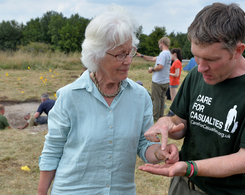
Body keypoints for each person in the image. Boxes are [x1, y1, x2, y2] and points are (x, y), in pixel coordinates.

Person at [138, 3, 245, 195]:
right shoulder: (197, 75)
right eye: (196, 57)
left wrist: (190, 167)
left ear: (238, 50)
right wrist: (166, 123)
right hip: (181, 186)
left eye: (212, 59)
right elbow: (179, 123)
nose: (200, 68)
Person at [37, 4, 179, 195]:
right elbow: (52, 150)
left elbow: (143, 144)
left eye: (131, 52)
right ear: (97, 55)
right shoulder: (70, 96)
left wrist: (160, 152)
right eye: (121, 54)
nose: (128, 60)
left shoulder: (140, 97)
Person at [136, 37, 171, 121]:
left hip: (158, 81)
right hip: (165, 81)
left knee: (156, 99)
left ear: (162, 43)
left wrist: (152, 69)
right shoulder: (168, 53)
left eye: (159, 44)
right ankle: (160, 116)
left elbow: (160, 66)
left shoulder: (163, 54)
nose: (159, 46)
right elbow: (153, 58)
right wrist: (142, 56)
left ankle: (155, 117)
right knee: (162, 99)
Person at [167, 48, 182, 117]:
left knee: (174, 97)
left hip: (174, 82)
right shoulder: (175, 62)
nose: (170, 56)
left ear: (174, 54)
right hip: (172, 81)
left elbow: (177, 74)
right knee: (172, 97)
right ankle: (173, 110)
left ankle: (174, 111)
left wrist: (168, 73)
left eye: (171, 54)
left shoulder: (177, 62)